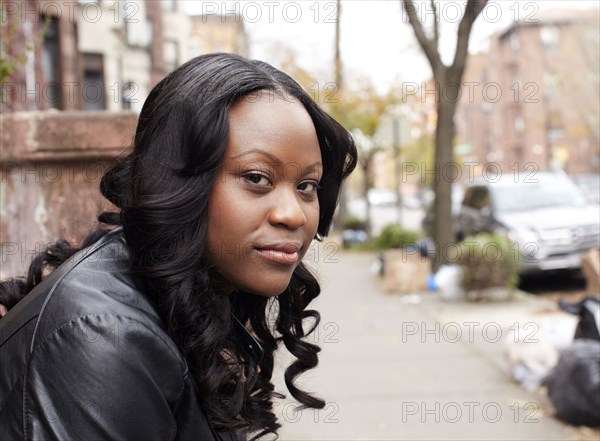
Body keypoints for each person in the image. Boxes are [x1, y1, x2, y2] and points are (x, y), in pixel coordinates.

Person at [0, 53, 357, 440]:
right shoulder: (104, 334)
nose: (294, 215)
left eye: (307, 186)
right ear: (178, 182)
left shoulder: (182, 292)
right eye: (257, 178)